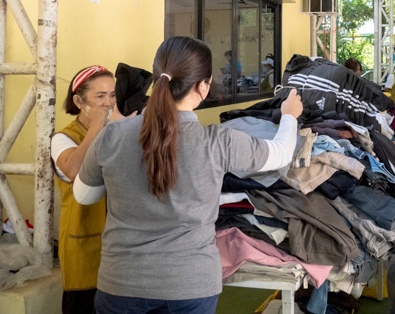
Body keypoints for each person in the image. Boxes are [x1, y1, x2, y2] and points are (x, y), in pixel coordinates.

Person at [73, 37, 303, 313]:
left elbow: (84, 195)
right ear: (203, 86)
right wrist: (289, 115)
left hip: (121, 284)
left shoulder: (112, 135)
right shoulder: (218, 142)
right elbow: (281, 153)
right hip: (190, 286)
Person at [51, 66, 127, 314]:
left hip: (119, 247)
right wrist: (96, 127)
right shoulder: (63, 138)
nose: (108, 103)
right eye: (100, 96)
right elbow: (73, 170)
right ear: (78, 101)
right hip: (83, 245)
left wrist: (125, 128)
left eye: (113, 95)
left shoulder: (118, 131)